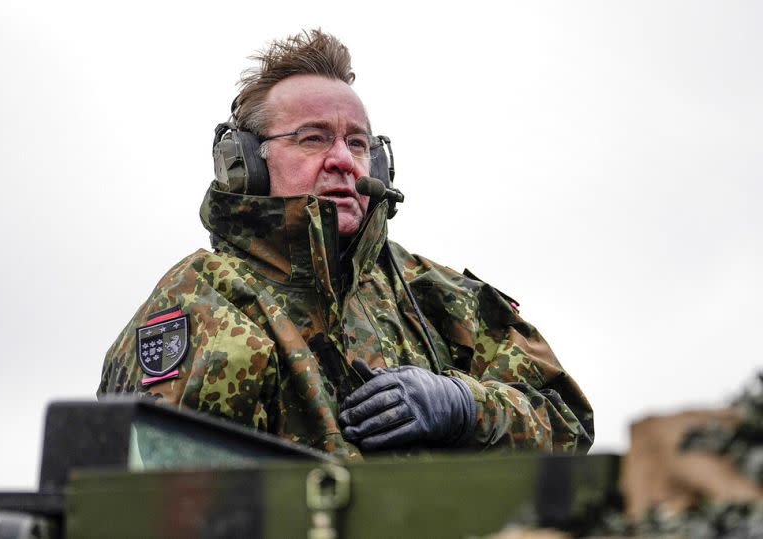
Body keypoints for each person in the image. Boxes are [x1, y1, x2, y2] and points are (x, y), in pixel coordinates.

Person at [97, 29, 594, 458]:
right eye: (313, 138)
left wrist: (465, 407)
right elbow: (153, 497)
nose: (343, 160)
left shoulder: (434, 295)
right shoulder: (202, 301)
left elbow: (568, 424)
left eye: (357, 143)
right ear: (246, 163)